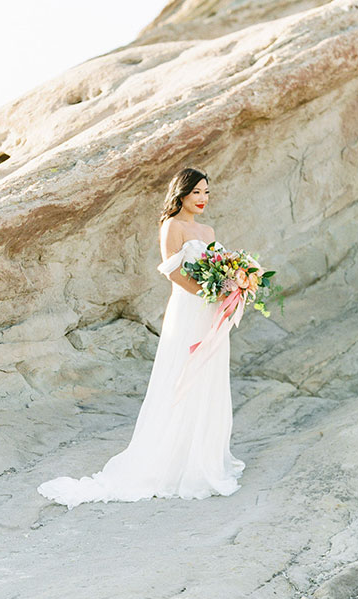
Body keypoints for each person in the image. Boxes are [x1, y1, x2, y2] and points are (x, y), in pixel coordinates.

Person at [36, 166, 245, 508]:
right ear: (181, 194)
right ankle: (173, 460)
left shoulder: (207, 229)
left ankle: (204, 457)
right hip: (189, 309)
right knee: (182, 374)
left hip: (211, 313)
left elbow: (219, 266)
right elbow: (174, 273)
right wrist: (209, 292)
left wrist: (232, 285)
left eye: (207, 192)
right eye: (196, 193)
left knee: (210, 377)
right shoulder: (172, 226)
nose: (203, 199)